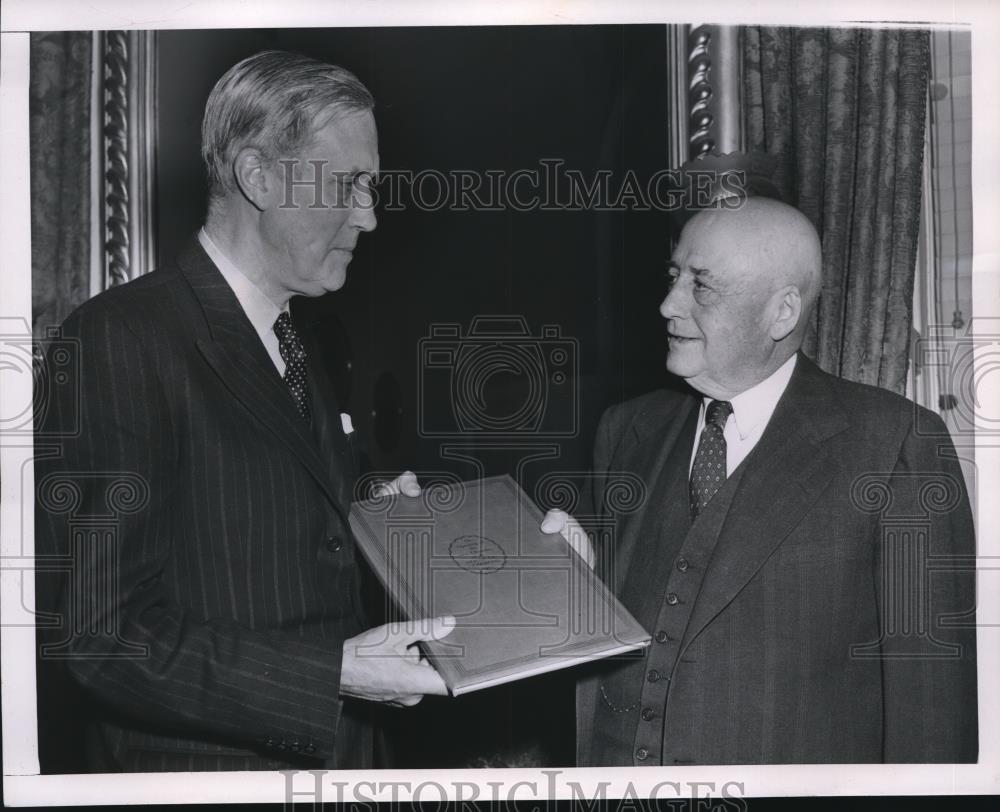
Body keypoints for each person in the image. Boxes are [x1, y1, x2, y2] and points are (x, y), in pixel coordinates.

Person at [34, 50, 452, 773]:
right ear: (258, 176)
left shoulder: (309, 337)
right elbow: (105, 638)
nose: (371, 217)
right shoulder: (122, 339)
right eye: (350, 185)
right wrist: (331, 675)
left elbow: (278, 515)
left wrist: (391, 509)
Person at [544, 196, 978, 765]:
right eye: (674, 276)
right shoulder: (627, 430)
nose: (668, 304)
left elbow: (931, 713)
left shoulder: (894, 444)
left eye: (702, 285)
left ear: (782, 313)